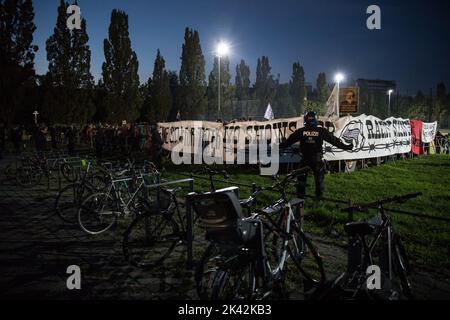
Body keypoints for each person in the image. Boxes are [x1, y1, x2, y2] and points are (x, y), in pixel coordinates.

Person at [280, 111, 353, 201]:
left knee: (301, 180)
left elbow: (288, 142)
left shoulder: (301, 131)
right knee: (319, 181)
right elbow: (334, 141)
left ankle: (300, 199)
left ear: (305, 120)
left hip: (305, 159)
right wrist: (347, 147)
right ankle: (319, 200)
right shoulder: (321, 131)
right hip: (317, 160)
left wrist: (278, 146)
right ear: (316, 119)